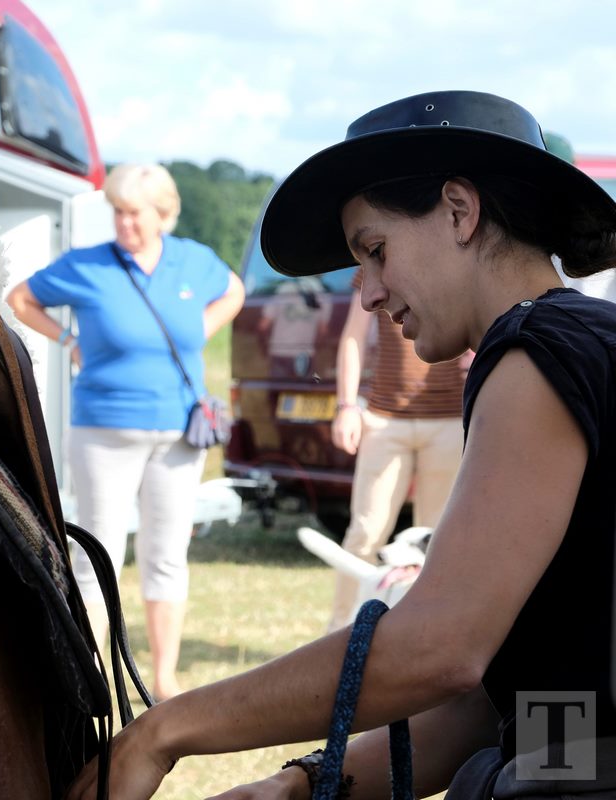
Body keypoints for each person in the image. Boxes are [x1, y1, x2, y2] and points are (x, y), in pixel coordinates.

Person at [65, 89, 616, 800]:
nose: (368, 294)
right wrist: (297, 785)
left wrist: (164, 729)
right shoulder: (583, 340)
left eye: (376, 251)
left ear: (458, 210)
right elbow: (505, 707)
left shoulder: (535, 351)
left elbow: (438, 647)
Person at [5, 163, 245, 701]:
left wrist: (199, 332)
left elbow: (235, 291)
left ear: (162, 215)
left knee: (166, 553)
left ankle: (163, 678)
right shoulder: (87, 265)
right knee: (99, 553)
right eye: (117, 211)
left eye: (133, 213)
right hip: (103, 431)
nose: (123, 222)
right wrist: (67, 340)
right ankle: (90, 673)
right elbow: (21, 299)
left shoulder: (193, 262)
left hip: (177, 434)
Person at [327, 269, 468, 631]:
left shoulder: (456, 256)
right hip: (385, 417)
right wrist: (346, 407)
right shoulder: (376, 266)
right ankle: (341, 631)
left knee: (435, 540)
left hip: (450, 420)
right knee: (365, 532)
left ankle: (422, 632)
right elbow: (353, 338)